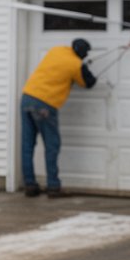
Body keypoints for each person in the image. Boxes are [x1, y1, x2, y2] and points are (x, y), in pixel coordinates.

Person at [20, 37, 97, 198]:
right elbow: (88, 83)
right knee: (52, 145)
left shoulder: (57, 50)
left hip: (27, 97)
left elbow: (57, 70)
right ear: (82, 53)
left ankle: (30, 185)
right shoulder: (76, 65)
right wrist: (84, 68)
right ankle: (53, 186)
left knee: (27, 145)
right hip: (45, 104)